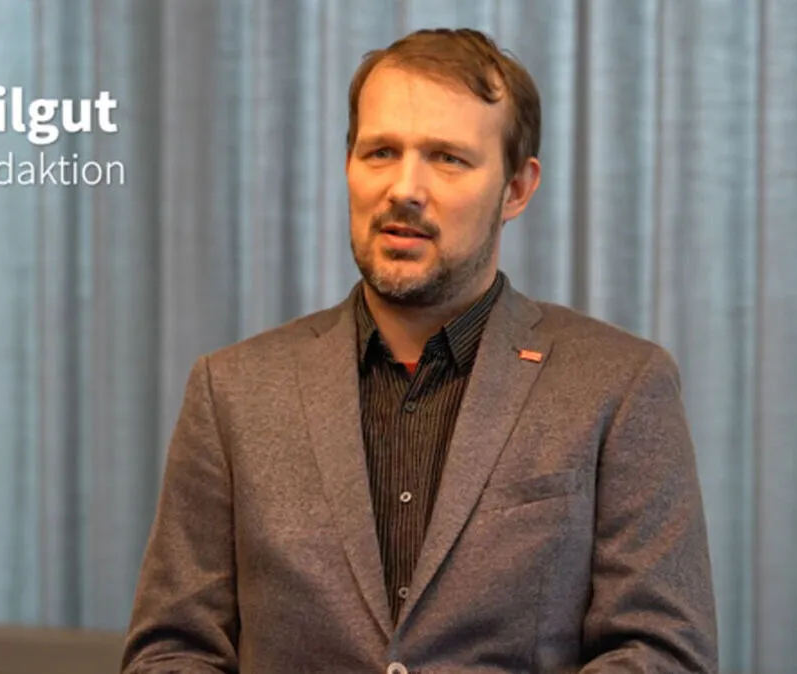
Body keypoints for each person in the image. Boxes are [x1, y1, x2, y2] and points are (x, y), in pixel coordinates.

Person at [121, 28, 718, 673]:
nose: (404, 188)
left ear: (517, 189)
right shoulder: (233, 390)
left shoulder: (619, 385)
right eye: (381, 152)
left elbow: (662, 654)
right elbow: (172, 650)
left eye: (448, 158)